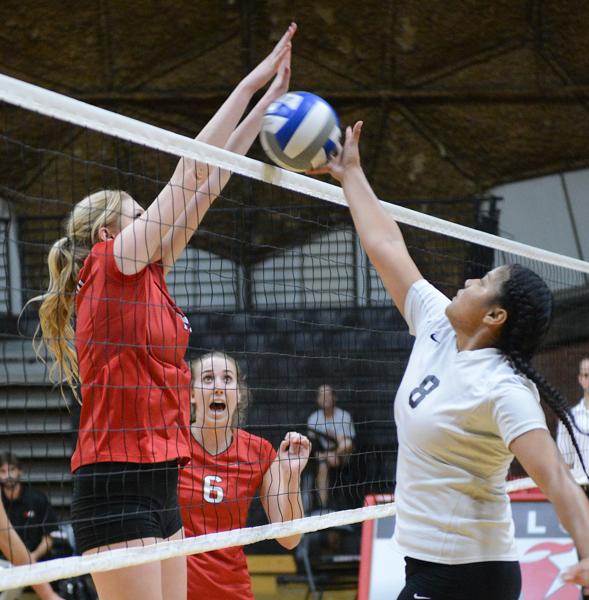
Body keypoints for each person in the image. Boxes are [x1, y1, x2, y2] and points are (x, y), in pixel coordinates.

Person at [29, 22, 297, 600]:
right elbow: (189, 168)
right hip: (113, 485)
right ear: (107, 231)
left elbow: (210, 181)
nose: (150, 212)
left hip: (160, 479)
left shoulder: (149, 272)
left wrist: (268, 107)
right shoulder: (108, 263)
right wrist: (250, 81)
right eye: (137, 210)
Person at [310, 121, 589, 599]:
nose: (468, 282)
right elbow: (386, 246)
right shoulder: (437, 326)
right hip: (426, 565)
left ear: (494, 314)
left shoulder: (504, 389)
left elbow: (555, 477)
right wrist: (351, 174)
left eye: (482, 282)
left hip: (469, 575)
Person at [178, 351, 311, 600]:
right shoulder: (170, 446)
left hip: (233, 591)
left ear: (238, 394)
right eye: (208, 379)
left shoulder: (259, 452)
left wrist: (292, 476)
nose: (218, 386)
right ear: (192, 394)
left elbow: (290, 538)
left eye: (227, 379)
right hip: (177, 592)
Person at [557, 354, 589, 599]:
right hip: (584, 495)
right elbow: (563, 465)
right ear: (580, 380)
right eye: (587, 375)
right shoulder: (569, 418)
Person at [0, 452, 57, 563]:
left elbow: (49, 539)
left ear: (20, 471)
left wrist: (31, 558)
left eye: (12, 469)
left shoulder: (37, 499)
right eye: (3, 471)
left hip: (36, 561)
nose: (8, 475)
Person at [0, 500, 63, 600]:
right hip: (7, 561)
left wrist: (32, 556)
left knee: (18, 572)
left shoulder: (36, 499)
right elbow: (4, 536)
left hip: (27, 561)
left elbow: (5, 537)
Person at [306, 384, 355, 508]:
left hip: (342, 455)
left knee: (347, 444)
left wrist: (335, 452)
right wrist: (323, 455)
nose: (325, 398)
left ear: (334, 397)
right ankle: (323, 507)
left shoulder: (344, 416)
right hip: (322, 456)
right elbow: (312, 444)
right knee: (322, 464)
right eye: (322, 395)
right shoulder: (313, 418)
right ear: (317, 399)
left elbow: (346, 441)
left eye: (328, 394)